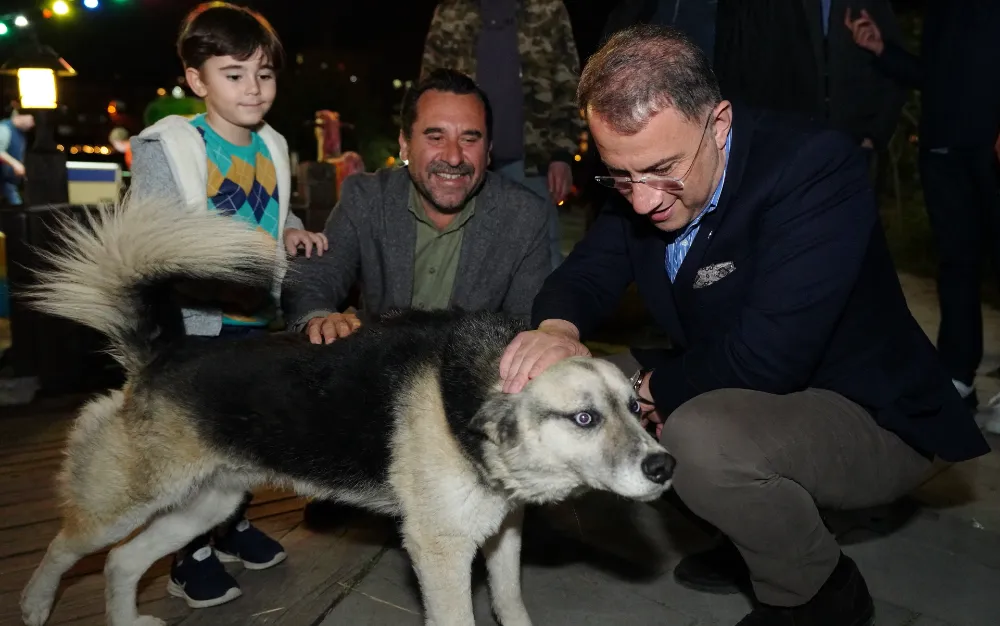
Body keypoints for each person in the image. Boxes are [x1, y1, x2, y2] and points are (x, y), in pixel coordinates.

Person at [499, 24, 989, 625]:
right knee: (563, 387)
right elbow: (585, 276)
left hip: (875, 413)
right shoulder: (643, 179)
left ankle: (817, 593)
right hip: (751, 387)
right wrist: (555, 331)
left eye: (662, 170)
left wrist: (647, 390)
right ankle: (750, 537)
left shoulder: (815, 170)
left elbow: (768, 357)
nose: (643, 200)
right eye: (620, 176)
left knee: (698, 438)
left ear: (720, 123)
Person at [129, 2, 327, 609]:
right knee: (197, 443)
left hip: (254, 317)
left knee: (248, 431)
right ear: (197, 79)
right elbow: (148, 236)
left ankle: (232, 522)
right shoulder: (176, 146)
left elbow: (273, 205)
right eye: (234, 74)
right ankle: (188, 556)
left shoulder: (270, 144)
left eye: (264, 74)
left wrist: (292, 229)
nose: (253, 89)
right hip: (192, 323)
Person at [845, 3, 1000, 414]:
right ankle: (958, 378)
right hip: (944, 150)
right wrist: (882, 51)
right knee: (956, 266)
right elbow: (937, 77)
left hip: (992, 149)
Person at [420, 0, 585, 270]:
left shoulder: (547, 9)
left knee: (540, 261)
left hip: (531, 166)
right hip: (459, 166)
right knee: (461, 263)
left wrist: (561, 155)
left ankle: (546, 314)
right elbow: (428, 90)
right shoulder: (450, 10)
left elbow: (568, 86)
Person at [0, 108, 35, 206]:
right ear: (20, 116)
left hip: (9, 183)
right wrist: (15, 164)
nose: (32, 124)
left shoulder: (21, 134)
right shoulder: (4, 129)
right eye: (31, 120)